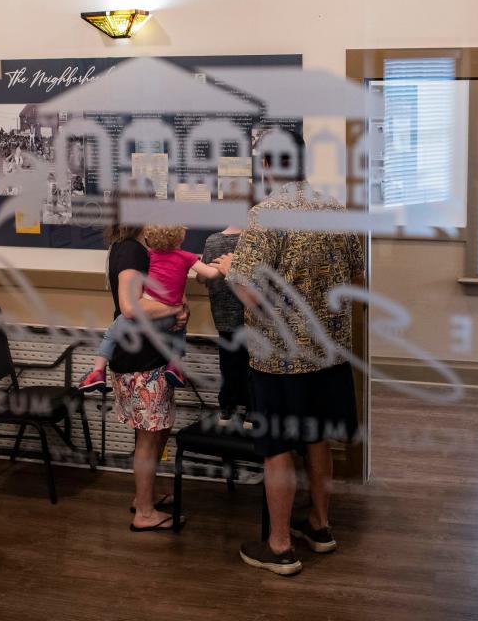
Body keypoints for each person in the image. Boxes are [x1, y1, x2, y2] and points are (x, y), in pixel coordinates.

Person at [215, 138, 365, 576]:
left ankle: (279, 546)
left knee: (278, 445)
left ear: (265, 165)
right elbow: (359, 278)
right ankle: (319, 527)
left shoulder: (264, 217)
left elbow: (246, 288)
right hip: (331, 354)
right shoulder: (336, 210)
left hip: (280, 359)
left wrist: (231, 276)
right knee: (318, 436)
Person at [104, 209, 189, 531]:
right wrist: (175, 308)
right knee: (149, 436)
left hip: (149, 354)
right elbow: (130, 305)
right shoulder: (131, 249)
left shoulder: (140, 248)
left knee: (157, 430)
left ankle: (145, 496)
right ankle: (144, 512)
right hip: (139, 358)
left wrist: (175, 309)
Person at [80, 224, 223, 392]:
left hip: (144, 340)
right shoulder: (138, 251)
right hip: (153, 342)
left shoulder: (151, 254)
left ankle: (97, 370)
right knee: (179, 332)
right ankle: (175, 365)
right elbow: (131, 307)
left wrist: (178, 308)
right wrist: (224, 267)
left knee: (112, 332)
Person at [198, 225, 249, 425]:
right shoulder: (254, 239)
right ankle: (252, 411)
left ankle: (227, 409)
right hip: (249, 313)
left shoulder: (213, 241)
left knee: (228, 364)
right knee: (250, 365)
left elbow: (202, 277)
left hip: (222, 314)